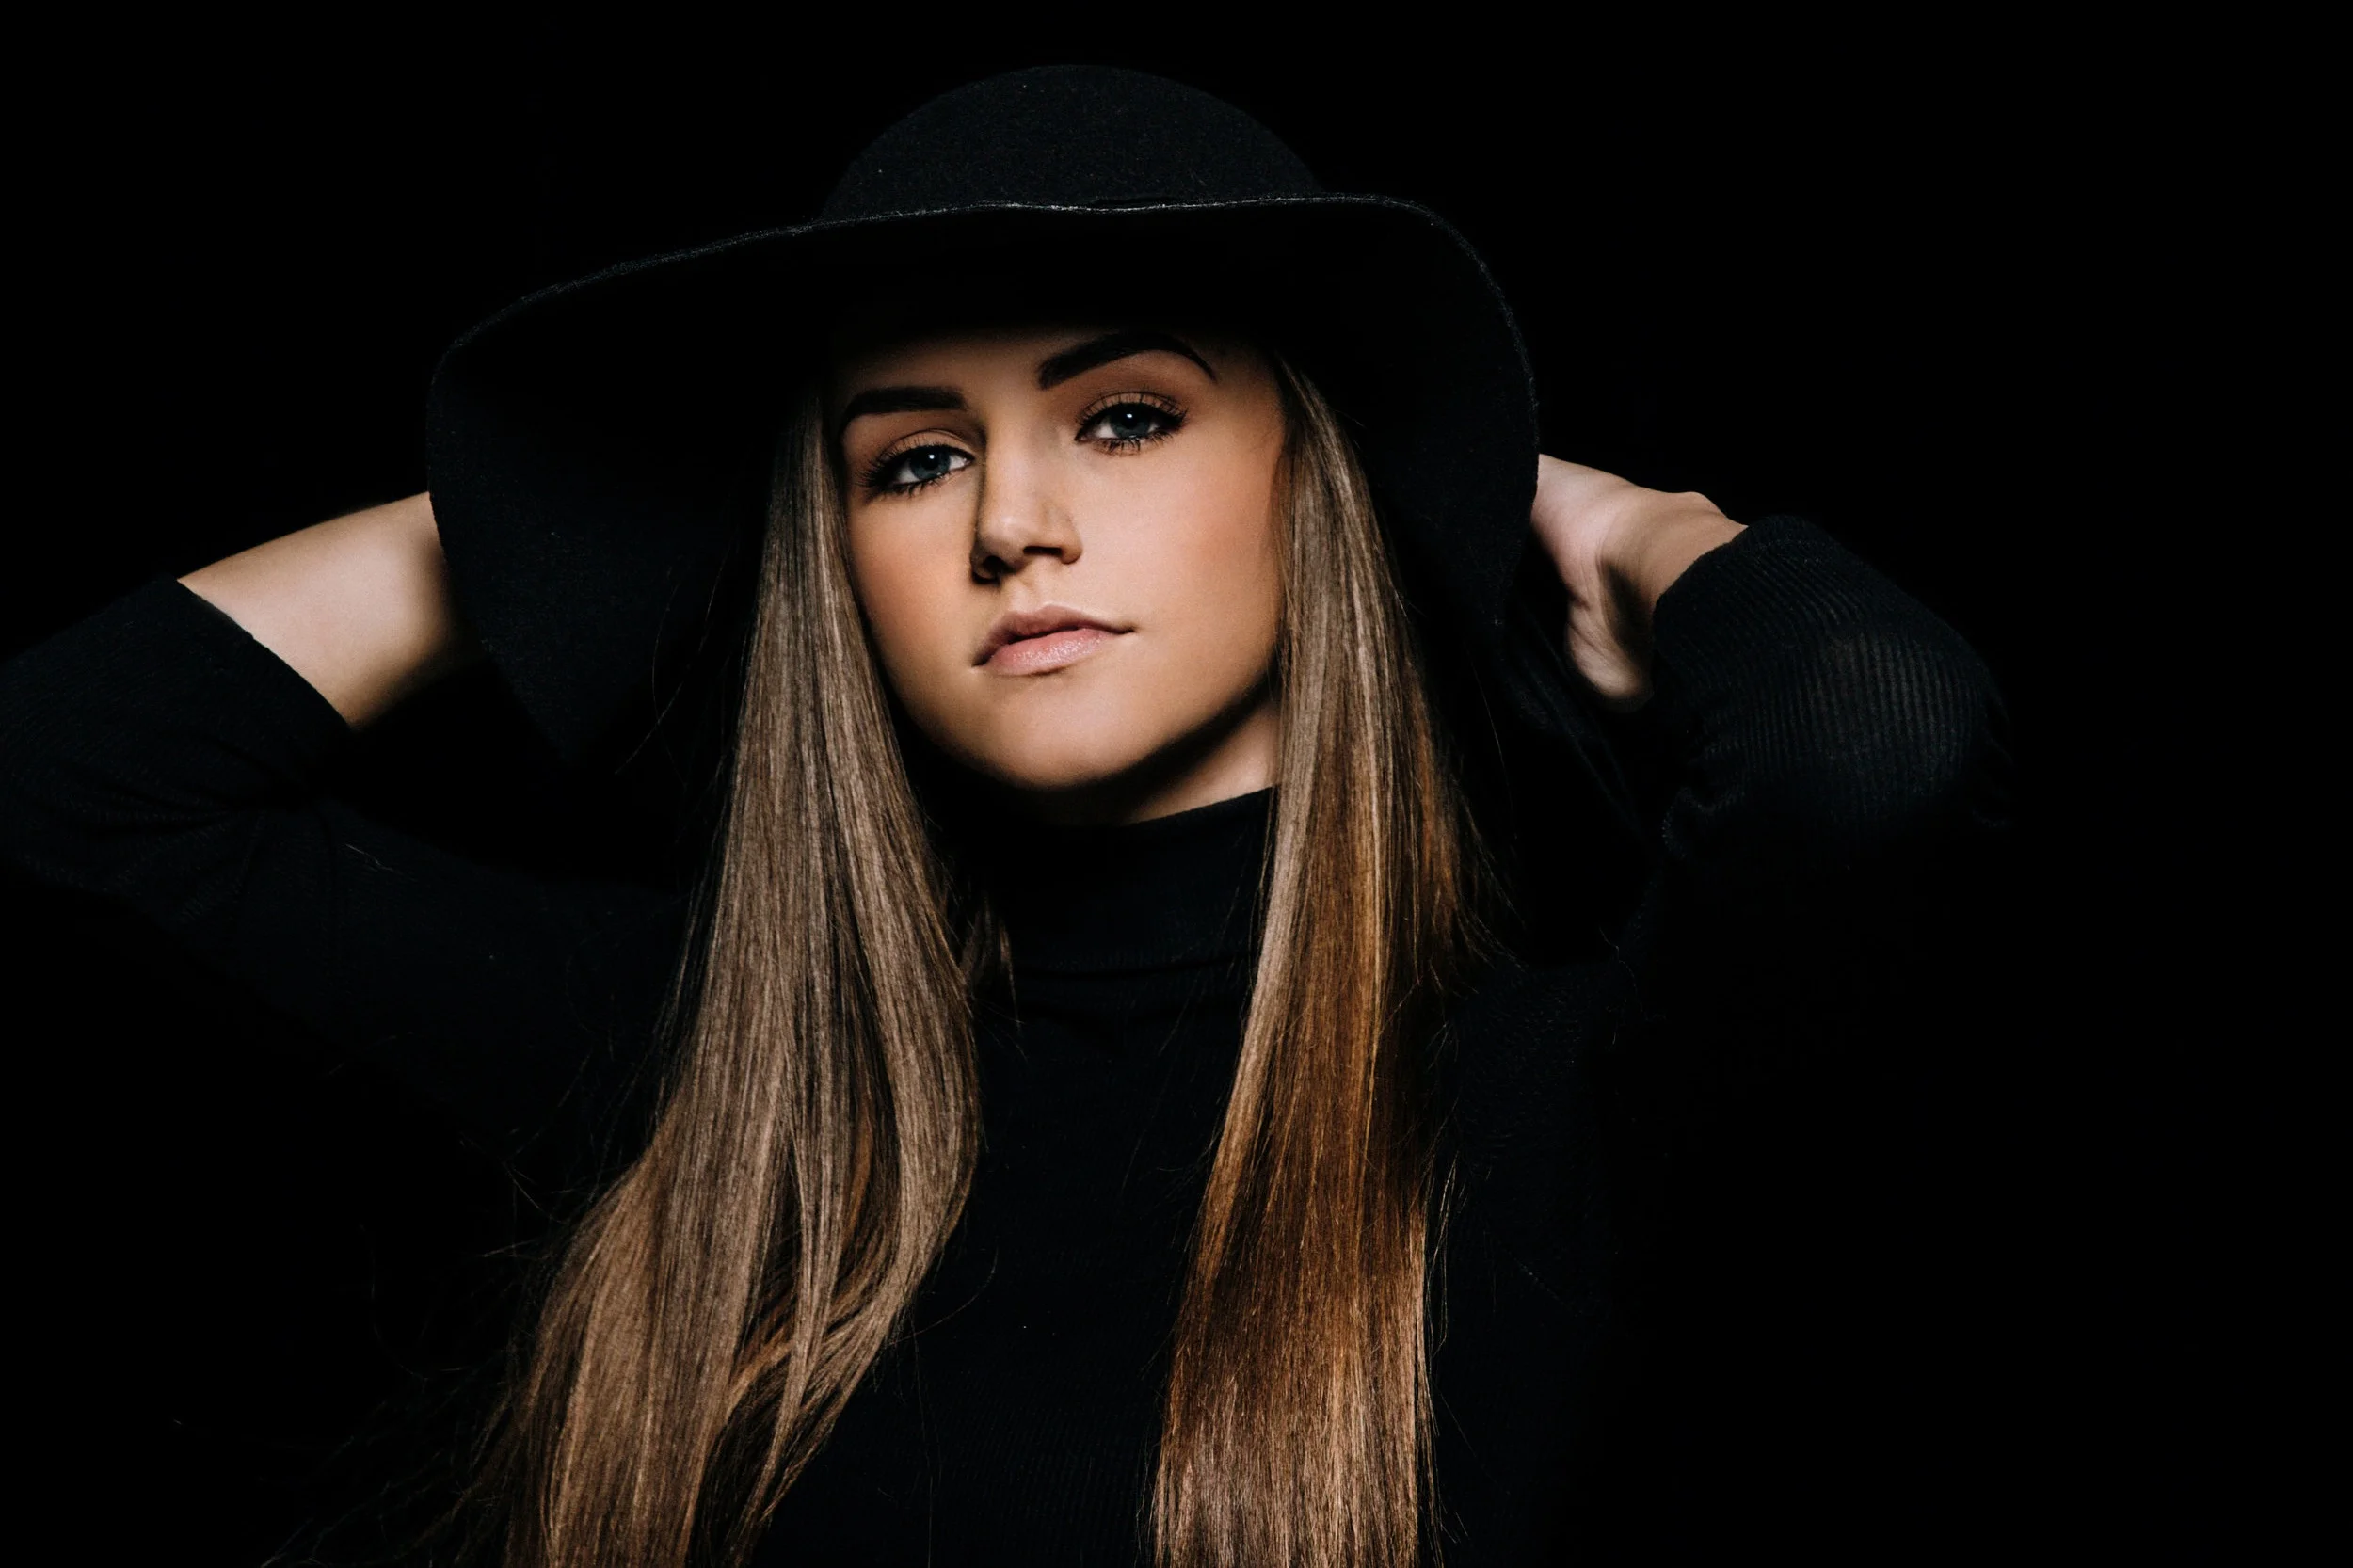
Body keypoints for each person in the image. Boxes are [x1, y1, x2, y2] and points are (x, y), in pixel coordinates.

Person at [0, 66, 2009, 1567]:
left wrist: (1588, 512)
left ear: (1315, 475)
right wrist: (605, 501)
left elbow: (1874, 735)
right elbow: (78, 778)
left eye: (1123, 416)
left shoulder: (1559, 1092)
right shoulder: (709, 1064)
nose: (1012, 521)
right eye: (908, 458)